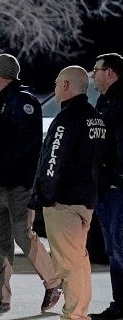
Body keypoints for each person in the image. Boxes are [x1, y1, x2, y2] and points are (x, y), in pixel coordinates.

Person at [0, 53, 63, 311]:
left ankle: (54, 282)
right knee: (1, 239)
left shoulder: (24, 102)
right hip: (0, 183)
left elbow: (28, 142)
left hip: (20, 183)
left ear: (1, 72)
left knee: (23, 234)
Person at [28, 65, 105, 320]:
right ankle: (79, 312)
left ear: (65, 86)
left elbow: (53, 160)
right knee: (80, 261)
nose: (54, 88)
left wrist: (45, 196)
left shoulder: (66, 119)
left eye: (57, 83)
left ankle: (73, 315)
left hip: (65, 201)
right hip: (86, 200)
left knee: (68, 265)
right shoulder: (95, 116)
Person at [89, 53, 123, 320]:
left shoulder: (119, 101)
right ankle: (119, 303)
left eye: (96, 69)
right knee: (113, 249)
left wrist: (114, 178)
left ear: (110, 72)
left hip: (116, 189)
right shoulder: (105, 100)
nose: (93, 74)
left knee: (119, 249)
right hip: (106, 188)